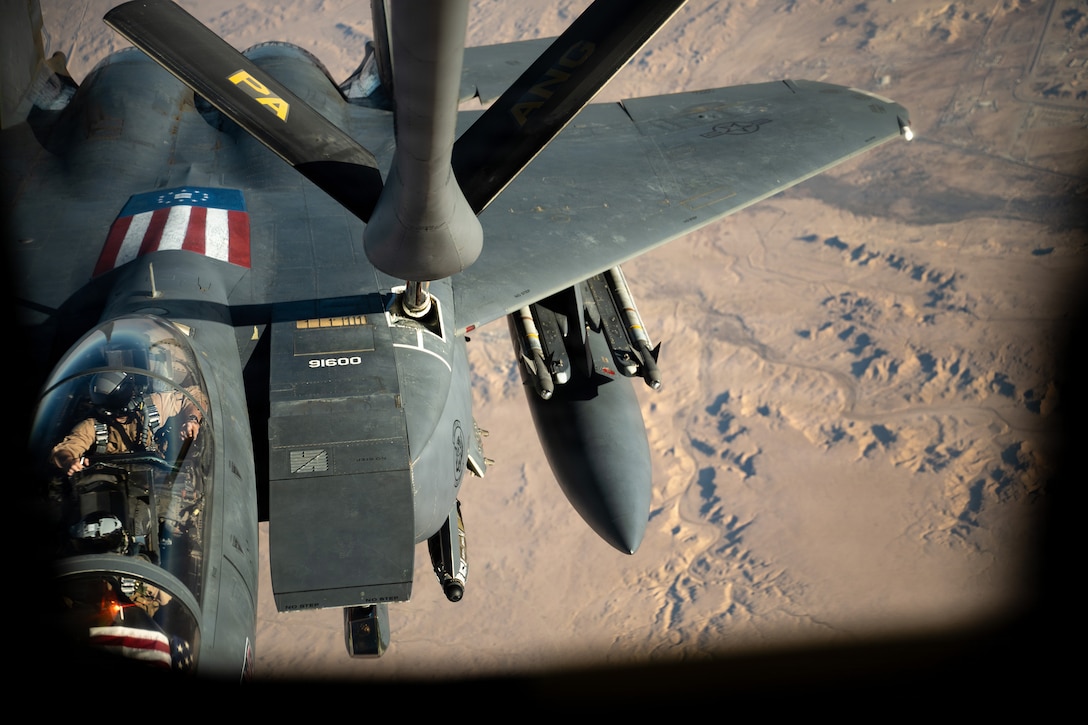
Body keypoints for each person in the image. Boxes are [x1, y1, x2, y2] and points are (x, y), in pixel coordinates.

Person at [50, 371, 205, 476]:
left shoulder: (152, 406)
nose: (121, 418)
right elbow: (63, 451)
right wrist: (69, 461)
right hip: (116, 488)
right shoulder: (92, 426)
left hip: (159, 480)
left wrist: (191, 420)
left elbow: (193, 395)